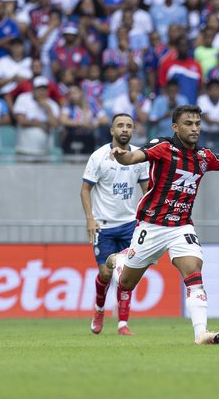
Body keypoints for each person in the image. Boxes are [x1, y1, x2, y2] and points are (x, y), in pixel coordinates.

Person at [109, 105, 219, 345]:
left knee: (194, 272)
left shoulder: (205, 157)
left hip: (181, 227)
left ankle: (201, 333)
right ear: (175, 127)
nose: (194, 129)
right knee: (126, 283)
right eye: (188, 124)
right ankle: (120, 261)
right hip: (151, 226)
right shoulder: (163, 148)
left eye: (197, 124)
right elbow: (132, 157)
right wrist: (122, 155)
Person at [80, 114, 149, 336]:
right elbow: (85, 189)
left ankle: (122, 324)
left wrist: (148, 220)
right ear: (112, 130)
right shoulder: (99, 157)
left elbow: (147, 189)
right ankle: (99, 309)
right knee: (106, 273)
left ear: (133, 130)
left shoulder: (138, 157)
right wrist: (90, 219)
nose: (125, 129)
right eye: (120, 125)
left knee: (125, 275)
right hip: (104, 226)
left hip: (130, 225)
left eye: (129, 126)